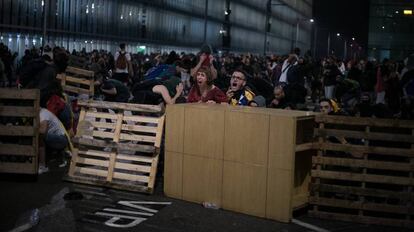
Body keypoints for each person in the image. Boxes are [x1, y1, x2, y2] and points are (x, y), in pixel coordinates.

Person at [39, 108, 70, 174]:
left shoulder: (43, 114)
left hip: (61, 140)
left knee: (41, 137)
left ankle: (42, 167)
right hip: (58, 138)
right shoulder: (42, 112)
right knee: (40, 136)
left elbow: (43, 131)